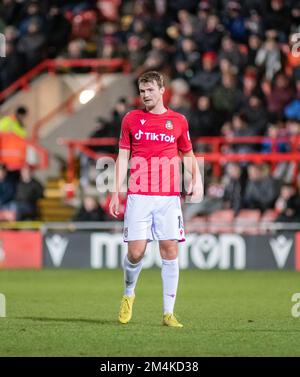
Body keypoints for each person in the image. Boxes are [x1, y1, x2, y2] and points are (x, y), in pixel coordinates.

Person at [109, 71, 203, 328]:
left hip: (168, 197)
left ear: (163, 90)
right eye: (142, 91)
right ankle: (128, 294)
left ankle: (168, 313)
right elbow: (123, 158)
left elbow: (188, 153)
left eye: (150, 90)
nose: (145, 95)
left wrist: (197, 179)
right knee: (136, 252)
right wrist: (117, 192)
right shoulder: (131, 119)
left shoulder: (178, 121)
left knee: (170, 250)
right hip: (139, 195)